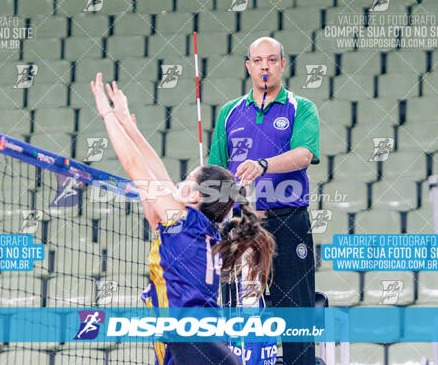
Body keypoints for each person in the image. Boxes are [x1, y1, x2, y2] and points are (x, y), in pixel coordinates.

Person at [90, 72, 276, 365]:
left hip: (191, 341)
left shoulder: (184, 222)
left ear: (194, 197)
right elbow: (156, 173)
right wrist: (127, 122)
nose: (177, 182)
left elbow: (137, 168)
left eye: (187, 179)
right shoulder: (200, 229)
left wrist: (107, 115)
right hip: (199, 340)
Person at [208, 37, 320, 365]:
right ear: (249, 67)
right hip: (240, 227)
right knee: (237, 315)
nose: (265, 67)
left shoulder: (302, 107)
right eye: (258, 61)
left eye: (272, 60)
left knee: (295, 315)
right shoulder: (228, 113)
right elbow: (216, 172)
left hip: (288, 221)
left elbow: (304, 154)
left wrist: (263, 165)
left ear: (282, 65)